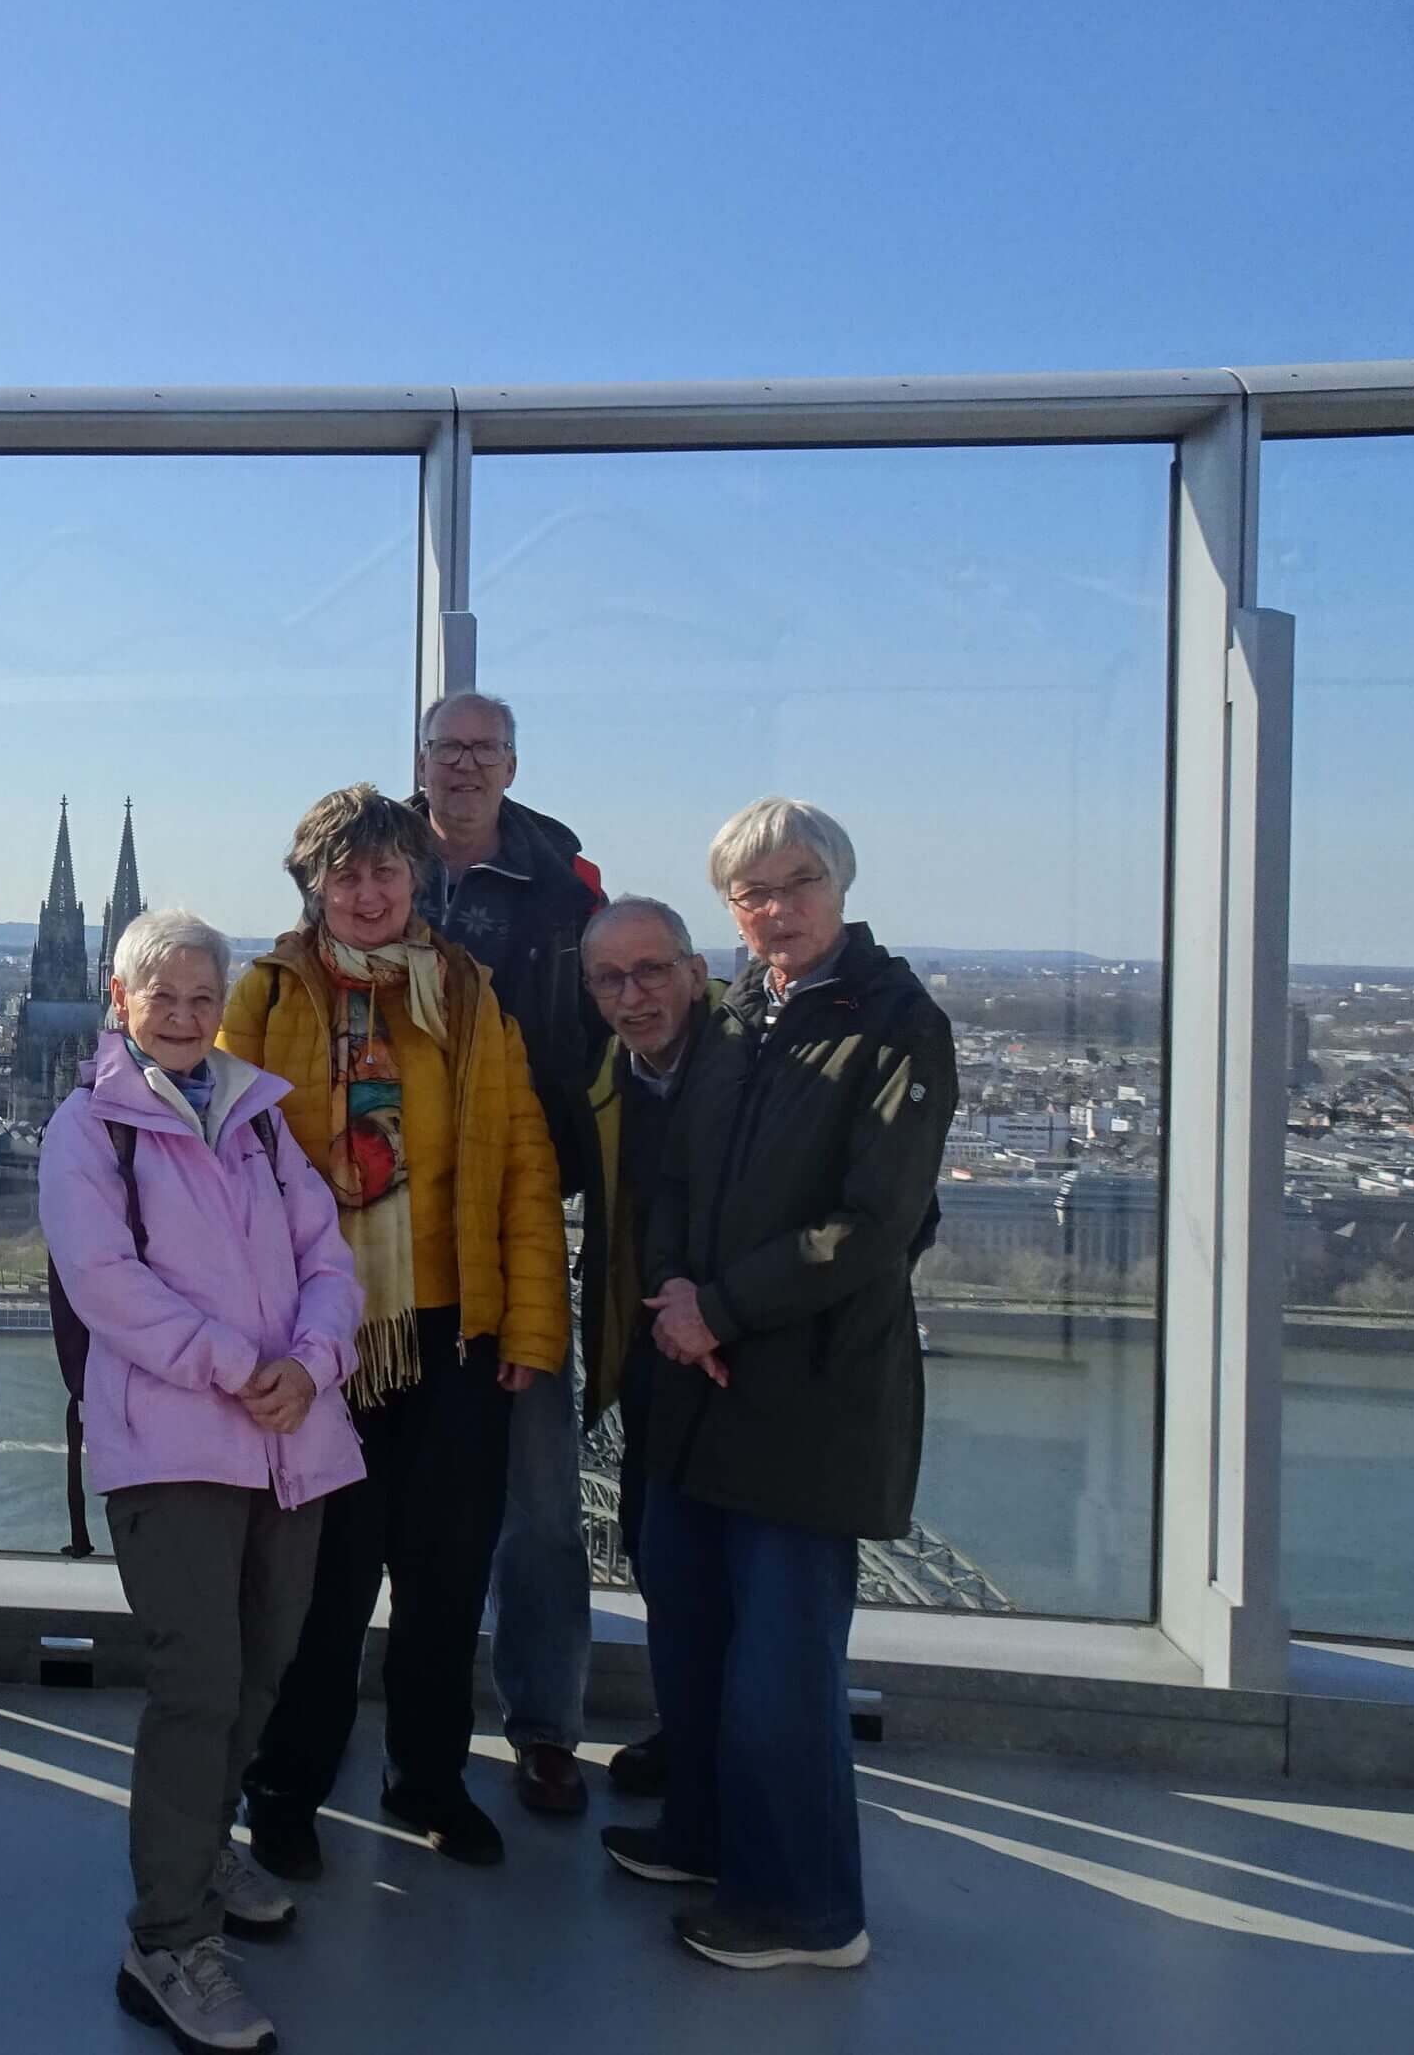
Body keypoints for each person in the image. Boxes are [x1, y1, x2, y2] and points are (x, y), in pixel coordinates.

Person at [600, 799, 956, 1973]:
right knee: (696, 1633)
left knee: (783, 1668)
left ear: (839, 885)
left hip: (807, 1392)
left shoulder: (898, 1026)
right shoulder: (742, 1013)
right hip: (699, 1377)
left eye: (797, 883)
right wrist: (674, 1296)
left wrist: (721, 1309)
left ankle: (805, 1909)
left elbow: (876, 1225)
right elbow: (675, 1175)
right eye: (751, 893)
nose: (776, 908)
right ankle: (707, 1838)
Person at [229, 784, 570, 1881]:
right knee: (322, 1583)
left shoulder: (467, 993)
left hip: (452, 1331)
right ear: (313, 886)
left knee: (447, 1574)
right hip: (322, 1337)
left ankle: (428, 1780)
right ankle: (287, 1785)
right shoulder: (267, 995)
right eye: (347, 875)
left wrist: (529, 1328)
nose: (369, 893)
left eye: (386, 871)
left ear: (416, 879)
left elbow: (522, 1163)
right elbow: (221, 1173)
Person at [45, 908, 364, 2055]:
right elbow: (105, 1284)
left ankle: (200, 1853)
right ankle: (167, 1940)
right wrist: (242, 1367)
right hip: (175, 1447)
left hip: (292, 1440)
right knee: (199, 1688)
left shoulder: (262, 1118)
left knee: (264, 1671)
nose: (184, 1017)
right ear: (119, 1001)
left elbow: (330, 1261)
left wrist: (314, 1363)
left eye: (201, 997)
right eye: (161, 997)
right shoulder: (89, 1129)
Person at [411, 689, 607, 1818]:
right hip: (385, 1220)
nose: (467, 765)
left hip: (517, 1206)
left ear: (514, 765)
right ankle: (372, 1713)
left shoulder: (565, 889)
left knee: (538, 1499)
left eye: (485, 749)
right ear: (422, 762)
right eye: (449, 747)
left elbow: (608, 1033)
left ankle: (543, 1726)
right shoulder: (368, 862)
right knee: (370, 1491)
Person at [571, 896, 722, 1803]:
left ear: (695, 973)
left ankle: (726, 1773)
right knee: (658, 1546)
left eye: (652, 971)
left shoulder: (749, 1063)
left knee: (729, 1567)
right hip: (648, 1346)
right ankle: (690, 1739)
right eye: (610, 980)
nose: (633, 995)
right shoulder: (609, 1078)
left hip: (734, 1347)